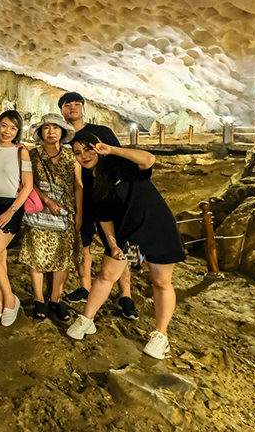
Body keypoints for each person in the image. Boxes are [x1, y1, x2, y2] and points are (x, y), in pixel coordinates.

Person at [66, 133, 185, 358]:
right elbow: (104, 217)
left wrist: (112, 150)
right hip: (132, 238)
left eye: (88, 149)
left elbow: (148, 160)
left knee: (160, 281)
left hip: (157, 228)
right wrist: (112, 244)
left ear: (98, 147)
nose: (84, 156)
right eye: (78, 153)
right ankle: (87, 319)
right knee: (108, 274)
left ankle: (161, 335)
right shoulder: (91, 180)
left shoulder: (121, 165)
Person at [59, 91, 138, 320]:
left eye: (76, 104)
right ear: (62, 111)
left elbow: (119, 159)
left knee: (121, 244)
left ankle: (126, 294)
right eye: (67, 105)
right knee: (83, 244)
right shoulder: (63, 138)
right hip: (81, 198)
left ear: (83, 107)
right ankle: (85, 287)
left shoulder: (102, 132)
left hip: (109, 195)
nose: (72, 107)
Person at [19, 113, 82, 322]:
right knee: (37, 256)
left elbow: (78, 186)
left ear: (62, 132)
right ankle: (38, 299)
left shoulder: (70, 156)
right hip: (39, 212)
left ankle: (55, 299)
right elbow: (28, 181)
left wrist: (79, 213)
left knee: (61, 259)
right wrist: (47, 200)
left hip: (65, 213)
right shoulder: (33, 154)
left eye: (55, 128)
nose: (51, 132)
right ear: (40, 132)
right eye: (46, 128)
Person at [0, 110, 33, 327]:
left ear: (18, 131)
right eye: (4, 125)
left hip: (11, 207)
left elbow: (28, 186)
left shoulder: (22, 153)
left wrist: (10, 211)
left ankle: (10, 299)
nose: (7, 131)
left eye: (13, 127)